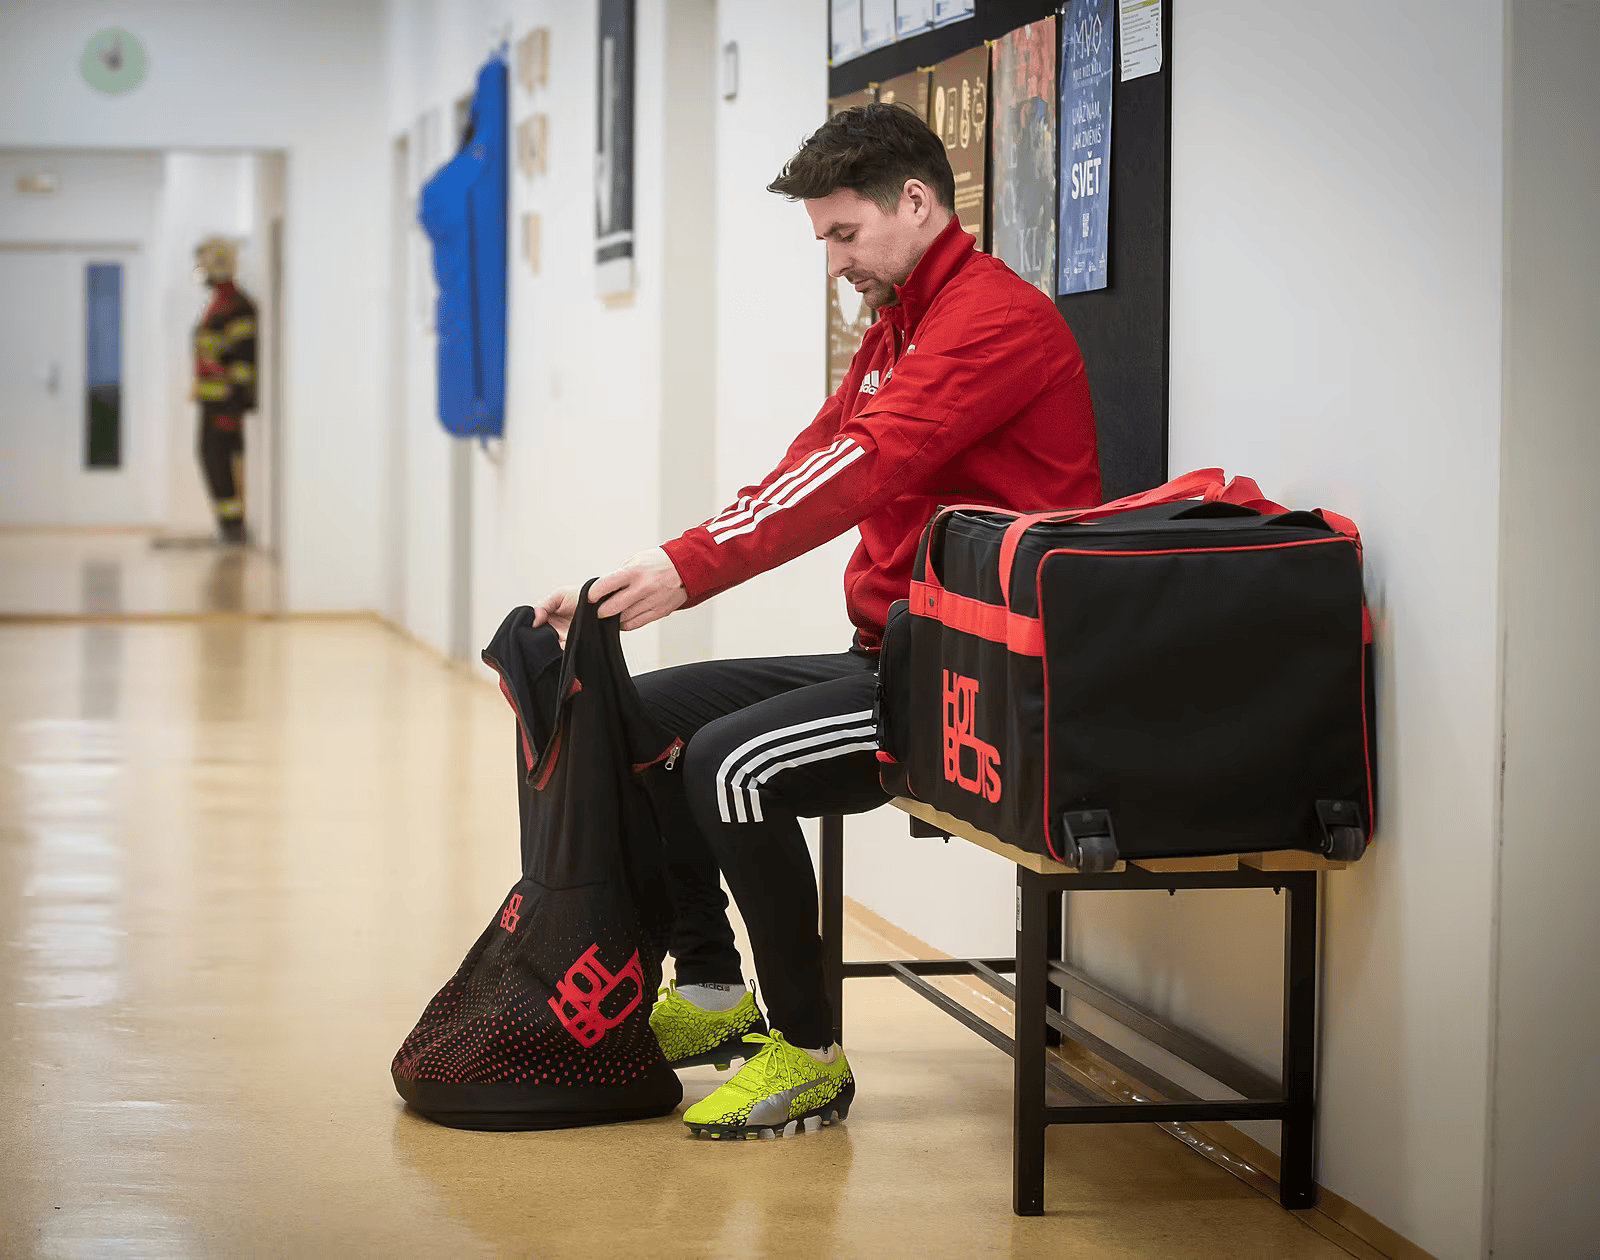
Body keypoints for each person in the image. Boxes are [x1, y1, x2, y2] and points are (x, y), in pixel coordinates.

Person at [532, 104, 1100, 1139]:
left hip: (978, 682)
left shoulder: (992, 323)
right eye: (824, 239)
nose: (835, 262)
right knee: (635, 717)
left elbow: (858, 469)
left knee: (729, 764)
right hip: (893, 653)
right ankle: (713, 994)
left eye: (845, 234)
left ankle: (808, 1056)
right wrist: (635, 577)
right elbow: (809, 460)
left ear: (916, 201)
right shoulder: (899, 327)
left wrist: (687, 571)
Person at [190, 236, 258, 544]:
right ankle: (226, 524)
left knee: (219, 462)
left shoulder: (238, 307)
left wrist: (234, 407)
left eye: (202, 265)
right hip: (210, 400)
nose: (200, 272)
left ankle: (232, 527)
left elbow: (244, 362)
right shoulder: (219, 304)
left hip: (225, 404)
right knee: (210, 460)